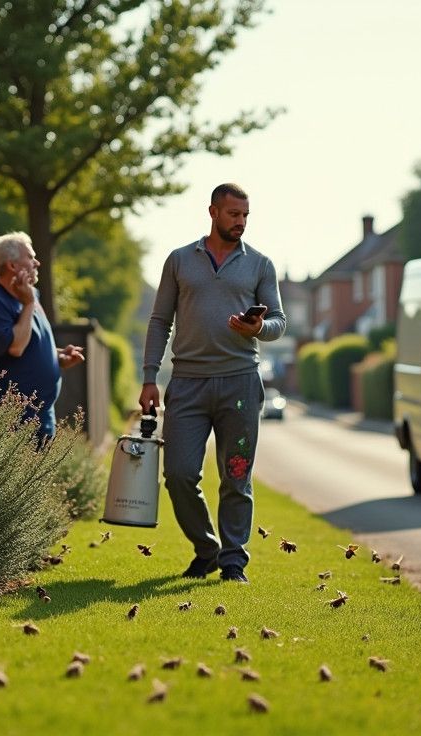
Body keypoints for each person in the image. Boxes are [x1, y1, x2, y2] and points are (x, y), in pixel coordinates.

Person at [140, 183, 286, 584]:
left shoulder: (260, 264)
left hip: (240, 383)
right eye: (233, 214)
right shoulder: (179, 260)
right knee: (180, 474)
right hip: (187, 383)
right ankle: (207, 548)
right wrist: (150, 376)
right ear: (213, 212)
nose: (240, 222)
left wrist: (258, 327)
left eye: (245, 216)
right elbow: (159, 321)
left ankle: (233, 561)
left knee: (236, 475)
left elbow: (278, 322)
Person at [0, 231, 84, 444]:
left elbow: (33, 346)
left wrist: (60, 357)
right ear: (12, 266)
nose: (37, 262)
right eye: (30, 257)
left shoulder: (31, 297)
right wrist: (28, 304)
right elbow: (16, 348)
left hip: (43, 418)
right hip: (12, 423)